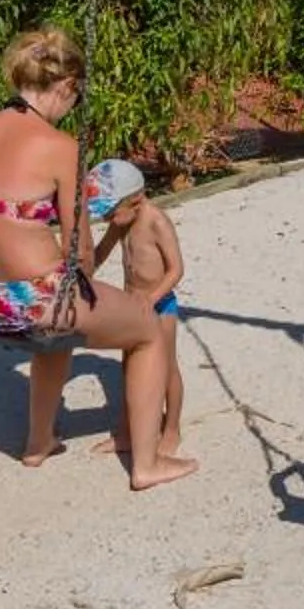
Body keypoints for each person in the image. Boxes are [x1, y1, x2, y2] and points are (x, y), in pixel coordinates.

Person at [0, 27, 195, 491]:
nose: (72, 107)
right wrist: (93, 273)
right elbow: (77, 249)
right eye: (75, 97)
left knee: (59, 329)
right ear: (65, 86)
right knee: (144, 328)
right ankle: (147, 465)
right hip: (34, 299)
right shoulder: (61, 148)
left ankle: (38, 443)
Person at [83, 159, 185, 464]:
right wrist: (83, 272)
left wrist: (152, 297)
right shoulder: (122, 222)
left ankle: (172, 429)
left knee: (166, 369)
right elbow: (101, 252)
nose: (107, 220)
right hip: (132, 305)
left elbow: (176, 269)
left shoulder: (156, 221)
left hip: (160, 304)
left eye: (110, 212)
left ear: (136, 200)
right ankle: (127, 431)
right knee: (130, 367)